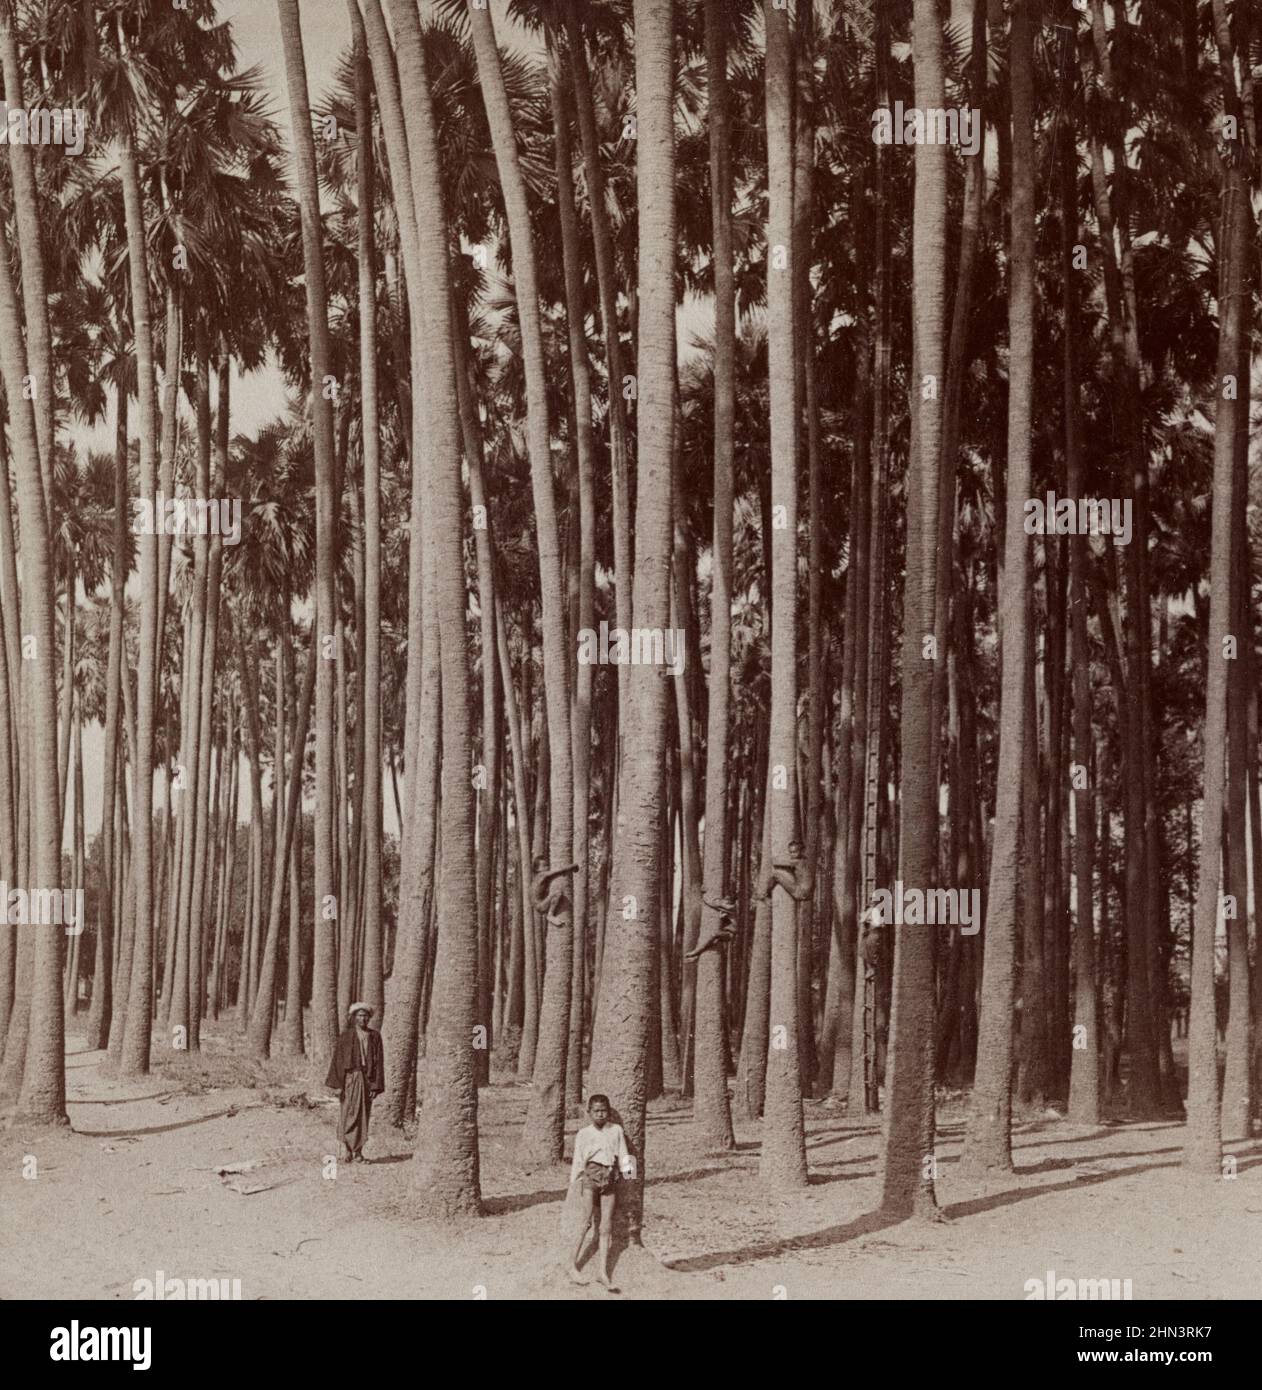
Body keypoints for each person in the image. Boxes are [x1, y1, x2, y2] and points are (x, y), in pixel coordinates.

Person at [567, 1093, 634, 1289]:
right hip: (590, 1177)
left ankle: (602, 1272)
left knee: (606, 1226)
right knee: (586, 1222)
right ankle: (572, 1264)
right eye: (596, 1111)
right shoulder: (584, 1133)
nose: (600, 1114)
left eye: (604, 1110)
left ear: (609, 1112)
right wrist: (574, 1183)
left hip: (610, 1177)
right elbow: (578, 1160)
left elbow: (623, 1154)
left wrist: (628, 1177)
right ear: (589, 1112)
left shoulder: (616, 1130)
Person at [325, 1002, 385, 1164]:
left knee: (362, 1115)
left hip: (367, 1080)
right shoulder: (346, 1036)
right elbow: (337, 1060)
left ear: (369, 1018)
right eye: (359, 1015)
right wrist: (338, 1085)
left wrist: (375, 1086)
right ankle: (347, 1151)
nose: (362, 1018)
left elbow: (379, 1063)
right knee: (348, 1113)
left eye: (365, 1015)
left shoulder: (375, 1036)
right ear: (354, 1018)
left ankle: (358, 1152)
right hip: (350, 1079)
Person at [684, 891, 738, 962]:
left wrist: (704, 896)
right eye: (725, 899)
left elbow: (712, 904)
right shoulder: (727, 908)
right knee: (711, 943)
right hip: (726, 932)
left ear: (731, 901)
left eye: (727, 900)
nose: (725, 901)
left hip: (730, 934)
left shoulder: (731, 907)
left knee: (714, 935)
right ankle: (696, 957)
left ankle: (695, 952)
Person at [758, 838, 815, 902]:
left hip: (800, 892)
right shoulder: (804, 860)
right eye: (790, 852)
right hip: (807, 894)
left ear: (800, 851)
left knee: (776, 875)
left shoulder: (797, 862)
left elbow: (776, 862)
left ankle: (765, 894)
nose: (792, 854)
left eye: (795, 852)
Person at [532, 856, 578, 927]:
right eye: (544, 866)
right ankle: (550, 915)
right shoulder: (541, 875)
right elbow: (558, 871)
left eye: (547, 865)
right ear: (537, 869)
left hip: (541, 903)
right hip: (540, 905)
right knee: (557, 893)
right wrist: (572, 866)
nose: (547, 867)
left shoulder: (538, 877)